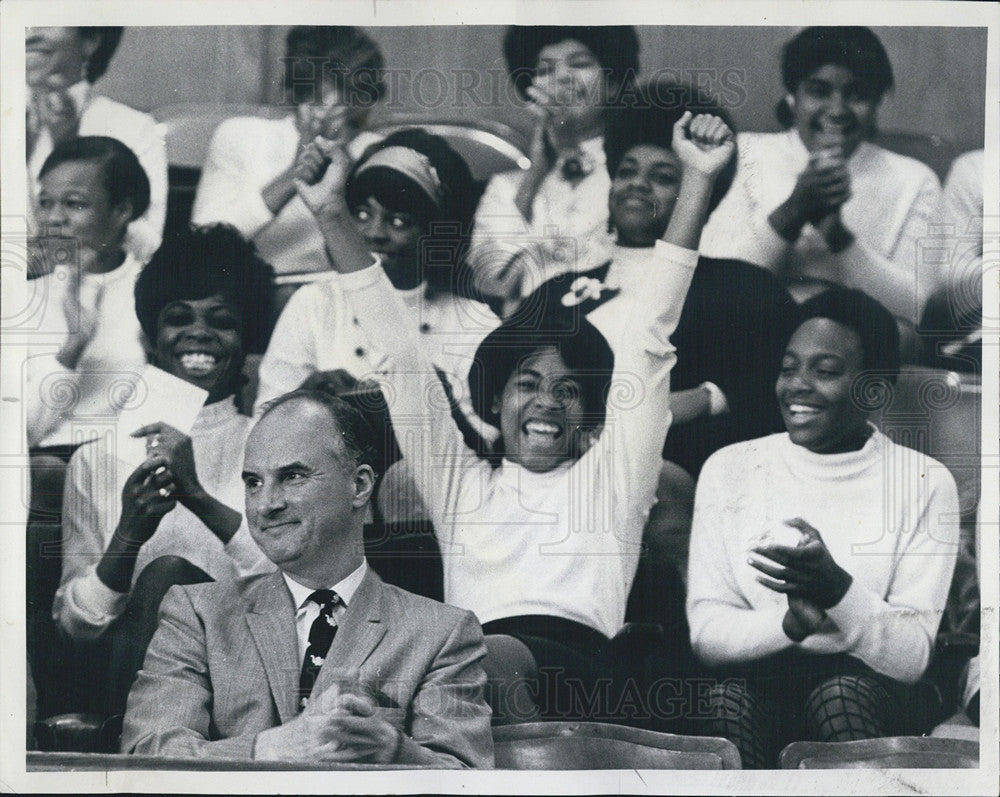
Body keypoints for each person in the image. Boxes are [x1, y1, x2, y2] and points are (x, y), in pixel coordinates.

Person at [292, 109, 735, 721]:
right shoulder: (460, 485)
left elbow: (651, 336)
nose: (547, 401)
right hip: (466, 682)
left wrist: (697, 180)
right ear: (495, 404)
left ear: (592, 417)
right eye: (526, 384)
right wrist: (329, 213)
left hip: (584, 682)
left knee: (467, 658)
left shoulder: (613, 477)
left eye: (570, 390)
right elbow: (400, 356)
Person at [120, 390, 494, 767]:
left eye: (292, 476)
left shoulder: (442, 632)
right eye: (253, 482)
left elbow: (466, 779)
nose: (266, 504)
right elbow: (147, 755)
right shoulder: (196, 614)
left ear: (360, 486)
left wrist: (396, 750)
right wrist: (271, 749)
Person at [685, 288, 960, 768]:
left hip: (872, 692)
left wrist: (836, 591)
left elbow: (913, 658)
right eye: (789, 368)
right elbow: (708, 634)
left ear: (875, 391)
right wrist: (792, 623)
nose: (797, 386)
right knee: (727, 702)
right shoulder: (729, 468)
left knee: (838, 696)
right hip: (760, 682)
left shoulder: (925, 483)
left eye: (825, 371)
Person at [51, 224, 276, 717]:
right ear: (153, 337)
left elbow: (295, 590)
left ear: (246, 337)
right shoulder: (98, 458)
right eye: (178, 318)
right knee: (165, 577)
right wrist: (127, 537)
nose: (199, 333)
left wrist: (197, 496)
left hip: (251, 682)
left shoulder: (273, 446)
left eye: (221, 320)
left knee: (176, 577)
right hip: (129, 687)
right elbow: (74, 626)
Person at [521, 82, 795, 478]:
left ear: (698, 197)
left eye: (663, 176)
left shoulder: (744, 289)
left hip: (679, 473)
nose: (637, 183)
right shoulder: (556, 292)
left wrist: (705, 399)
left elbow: (777, 385)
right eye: (626, 171)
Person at [254, 128, 500, 437]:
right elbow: (261, 432)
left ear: (436, 235)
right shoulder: (313, 304)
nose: (374, 232)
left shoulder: (475, 323)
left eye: (398, 221)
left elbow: (487, 455)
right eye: (361, 213)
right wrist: (302, 398)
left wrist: (437, 405)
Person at [698, 26, 944, 333]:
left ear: (877, 104)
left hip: (853, 342)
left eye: (857, 95)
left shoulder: (915, 180)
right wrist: (794, 210)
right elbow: (711, 289)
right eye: (819, 91)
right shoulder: (745, 153)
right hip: (751, 327)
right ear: (792, 96)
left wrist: (838, 235)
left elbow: (919, 308)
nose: (837, 110)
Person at [468, 26, 640, 311]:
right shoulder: (507, 188)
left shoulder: (636, 175)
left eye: (580, 64)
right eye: (546, 70)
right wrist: (535, 176)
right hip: (529, 343)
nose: (562, 77)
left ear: (613, 82)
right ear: (531, 90)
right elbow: (492, 283)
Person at [191, 26, 385, 278]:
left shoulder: (378, 150)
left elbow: (380, 260)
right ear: (299, 94)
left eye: (356, 95)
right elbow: (201, 244)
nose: (341, 109)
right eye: (320, 96)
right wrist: (293, 175)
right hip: (254, 293)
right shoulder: (240, 136)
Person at [26, 136, 151, 450]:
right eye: (45, 202)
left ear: (121, 210)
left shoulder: (155, 291)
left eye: (74, 203)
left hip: (125, 463)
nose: (54, 219)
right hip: (42, 469)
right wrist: (72, 347)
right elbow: (17, 433)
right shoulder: (24, 296)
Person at [26, 26, 167, 263]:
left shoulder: (132, 126)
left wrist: (67, 149)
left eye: (45, 17)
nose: (28, 32)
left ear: (91, 39)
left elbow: (147, 248)